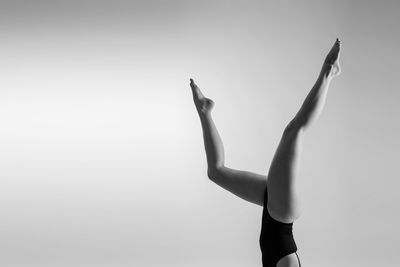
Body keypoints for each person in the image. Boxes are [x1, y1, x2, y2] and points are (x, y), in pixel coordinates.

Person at [190, 38, 341, 267]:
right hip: (281, 213)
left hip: (272, 211)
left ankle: (204, 111)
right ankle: (328, 70)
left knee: (215, 172)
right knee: (292, 132)